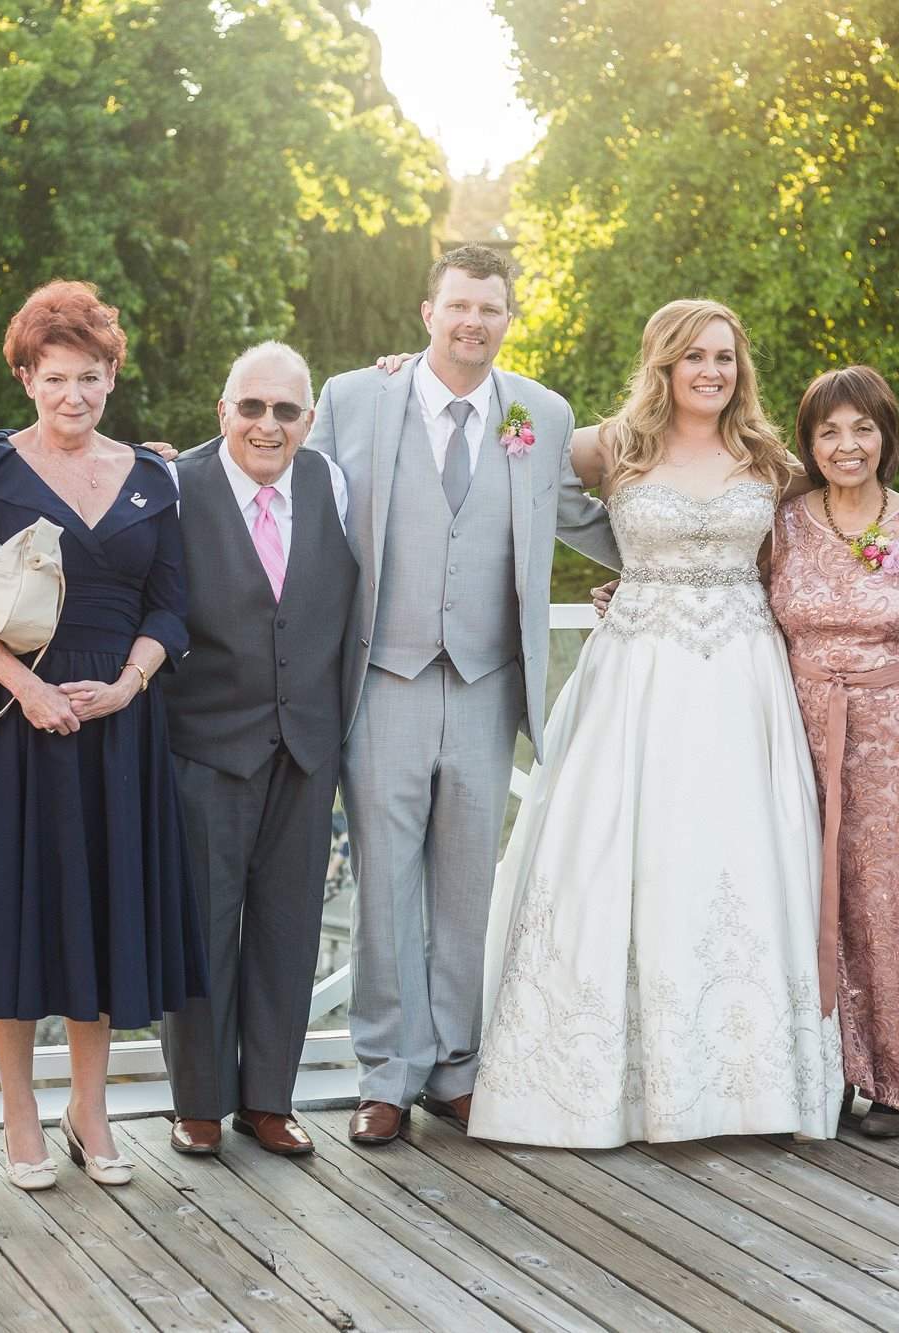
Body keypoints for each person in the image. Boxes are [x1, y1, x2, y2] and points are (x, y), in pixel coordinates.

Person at [468, 298, 841, 1148]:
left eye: (725, 356)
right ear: (663, 364)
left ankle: (749, 1085)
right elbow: (502, 442)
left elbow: (835, 523)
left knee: (742, 851)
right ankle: (610, 1083)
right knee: (624, 852)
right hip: (637, 676)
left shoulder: (769, 458)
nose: (712, 371)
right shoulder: (614, 445)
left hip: (744, 678)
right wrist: (630, 568)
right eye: (694, 356)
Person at [305, 245, 621, 1146]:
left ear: (509, 319)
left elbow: (578, 515)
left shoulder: (540, 413)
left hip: (487, 684)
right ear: (428, 312)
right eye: (459, 305)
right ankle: (386, 1073)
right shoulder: (355, 398)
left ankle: (455, 1069)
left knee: (466, 887)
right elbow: (297, 495)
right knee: (383, 888)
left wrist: (674, 567)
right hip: (384, 680)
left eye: (490, 308)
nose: (473, 321)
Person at [0, 281, 205, 1190]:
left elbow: (171, 607)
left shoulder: (151, 477)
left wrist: (128, 686)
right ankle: (20, 1109)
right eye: (56, 376)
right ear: (27, 378)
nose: (75, 394)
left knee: (101, 910)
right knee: (16, 912)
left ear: (112, 378)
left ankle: (89, 1109)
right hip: (11, 723)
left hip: (117, 728)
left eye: (91, 376)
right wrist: (27, 686)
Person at [159, 342, 356, 1158]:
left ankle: (269, 1099)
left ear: (308, 418)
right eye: (251, 407)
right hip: (205, 745)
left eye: (285, 410)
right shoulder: (176, 485)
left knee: (288, 927)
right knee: (203, 926)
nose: (267, 425)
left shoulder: (333, 483)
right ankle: (200, 1101)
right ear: (223, 411)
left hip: (306, 747)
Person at [768, 365, 899, 1138]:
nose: (847, 445)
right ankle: (823, 1067)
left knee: (888, 897)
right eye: (829, 431)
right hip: (797, 724)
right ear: (809, 443)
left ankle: (898, 1080)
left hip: (895, 735)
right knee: (805, 888)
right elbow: (733, 599)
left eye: (862, 428)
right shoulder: (782, 523)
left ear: (886, 436)